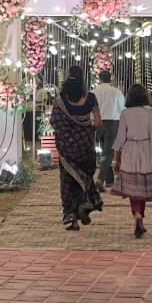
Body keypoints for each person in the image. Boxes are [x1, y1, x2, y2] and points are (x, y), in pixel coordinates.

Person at [49, 65, 104, 231]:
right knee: (85, 177)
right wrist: (87, 129)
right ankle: (86, 203)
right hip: (85, 147)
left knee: (68, 182)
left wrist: (68, 133)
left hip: (67, 149)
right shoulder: (91, 98)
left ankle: (72, 218)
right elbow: (98, 122)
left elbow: (54, 122)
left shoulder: (60, 100)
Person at [111, 84, 152, 239]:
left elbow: (120, 138)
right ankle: (140, 216)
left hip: (129, 151)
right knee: (143, 187)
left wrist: (116, 159)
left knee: (133, 189)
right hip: (146, 150)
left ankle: (137, 214)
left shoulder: (125, 114)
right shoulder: (150, 115)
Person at [92, 71, 124, 188]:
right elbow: (122, 110)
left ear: (99, 79)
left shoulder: (94, 92)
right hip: (112, 123)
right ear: (110, 79)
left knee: (105, 150)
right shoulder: (116, 92)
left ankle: (109, 179)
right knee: (108, 152)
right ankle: (101, 179)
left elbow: (91, 109)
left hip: (99, 123)